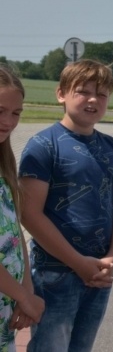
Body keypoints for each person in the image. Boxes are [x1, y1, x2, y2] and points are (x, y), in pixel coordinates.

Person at [18, 59, 113, 352]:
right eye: (83, 91)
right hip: (56, 273)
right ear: (61, 94)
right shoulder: (43, 146)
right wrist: (78, 263)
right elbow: (30, 215)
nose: (93, 99)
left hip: (98, 274)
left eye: (102, 94)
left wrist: (112, 260)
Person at [0, 66, 44, 350]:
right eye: (0, 110)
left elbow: (16, 233)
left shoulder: (4, 163)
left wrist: (24, 290)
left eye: (16, 113)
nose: (8, 121)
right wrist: (25, 297)